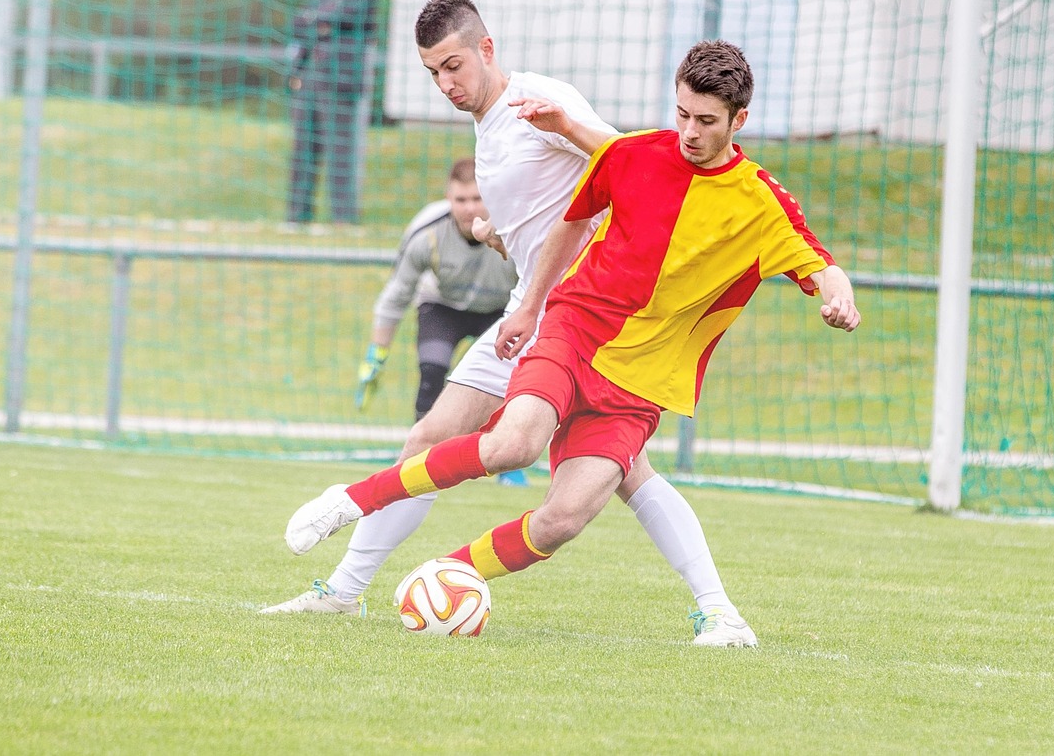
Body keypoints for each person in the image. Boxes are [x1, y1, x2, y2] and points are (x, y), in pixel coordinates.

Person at [279, 37, 863, 644]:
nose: (689, 131)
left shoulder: (761, 203)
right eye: (682, 114)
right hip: (574, 327)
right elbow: (576, 219)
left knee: (563, 519)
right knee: (514, 444)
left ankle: (450, 575)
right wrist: (532, 306)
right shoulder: (638, 153)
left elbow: (818, 260)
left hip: (640, 378)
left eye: (706, 121)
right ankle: (350, 501)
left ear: (738, 121)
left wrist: (837, 294)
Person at [354, 158, 525, 487]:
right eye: (461, 200)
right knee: (432, 370)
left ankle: (508, 458)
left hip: (500, 311)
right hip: (443, 306)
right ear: (448, 198)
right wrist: (377, 353)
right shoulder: (426, 232)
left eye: (477, 199)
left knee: (502, 381)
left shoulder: (514, 230)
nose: (469, 208)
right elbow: (397, 294)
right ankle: (419, 466)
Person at [285, 0, 378, 225]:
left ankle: (343, 219)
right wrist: (298, 71)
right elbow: (301, 24)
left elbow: (342, 19)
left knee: (339, 154)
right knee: (303, 150)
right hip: (312, 78)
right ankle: (297, 217)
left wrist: (322, 22)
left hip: (341, 83)